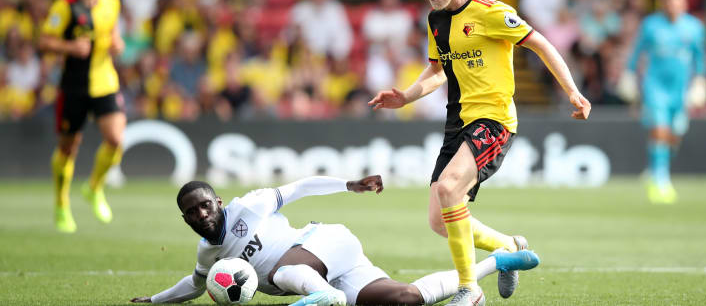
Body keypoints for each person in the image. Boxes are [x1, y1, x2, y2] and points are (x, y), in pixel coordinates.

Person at [368, 0, 591, 306]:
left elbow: (542, 44)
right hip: (457, 122)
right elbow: (438, 70)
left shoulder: (491, 12)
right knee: (439, 221)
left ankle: (470, 290)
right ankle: (509, 248)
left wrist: (572, 92)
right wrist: (406, 96)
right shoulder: (436, 20)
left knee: (449, 188)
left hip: (495, 119)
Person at [129, 175, 539, 306]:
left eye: (205, 205)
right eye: (193, 213)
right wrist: (153, 300)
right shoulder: (209, 252)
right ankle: (499, 261)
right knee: (406, 300)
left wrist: (350, 184)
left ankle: (328, 299)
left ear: (217, 202)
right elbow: (195, 284)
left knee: (282, 270)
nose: (202, 215)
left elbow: (301, 186)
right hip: (323, 271)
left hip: (324, 243)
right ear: (186, 220)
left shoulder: (248, 206)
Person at [37, 0, 126, 233]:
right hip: (73, 86)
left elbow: (112, 32)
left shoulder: (112, 1)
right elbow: (44, 41)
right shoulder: (65, 6)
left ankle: (94, 187)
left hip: (104, 81)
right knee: (68, 148)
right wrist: (69, 47)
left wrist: (117, 43)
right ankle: (61, 203)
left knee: (115, 139)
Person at [617, 0, 706, 204]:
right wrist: (629, 74)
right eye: (669, 1)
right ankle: (661, 179)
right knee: (660, 128)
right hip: (655, 85)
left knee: (675, 132)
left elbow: (699, 56)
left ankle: (655, 168)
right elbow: (638, 50)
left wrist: (700, 80)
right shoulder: (651, 24)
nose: (673, 6)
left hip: (680, 87)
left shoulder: (693, 27)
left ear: (684, 4)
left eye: (677, 1)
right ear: (664, 4)